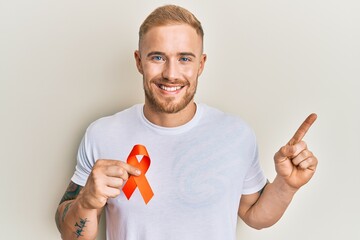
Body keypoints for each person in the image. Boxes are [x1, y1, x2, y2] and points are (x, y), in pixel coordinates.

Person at [55, 4, 318, 240]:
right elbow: (73, 235)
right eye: (157, 57)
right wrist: (87, 202)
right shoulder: (102, 134)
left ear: (200, 64)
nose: (171, 74)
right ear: (139, 62)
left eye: (184, 59)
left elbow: (255, 216)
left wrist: (287, 185)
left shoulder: (235, 134)